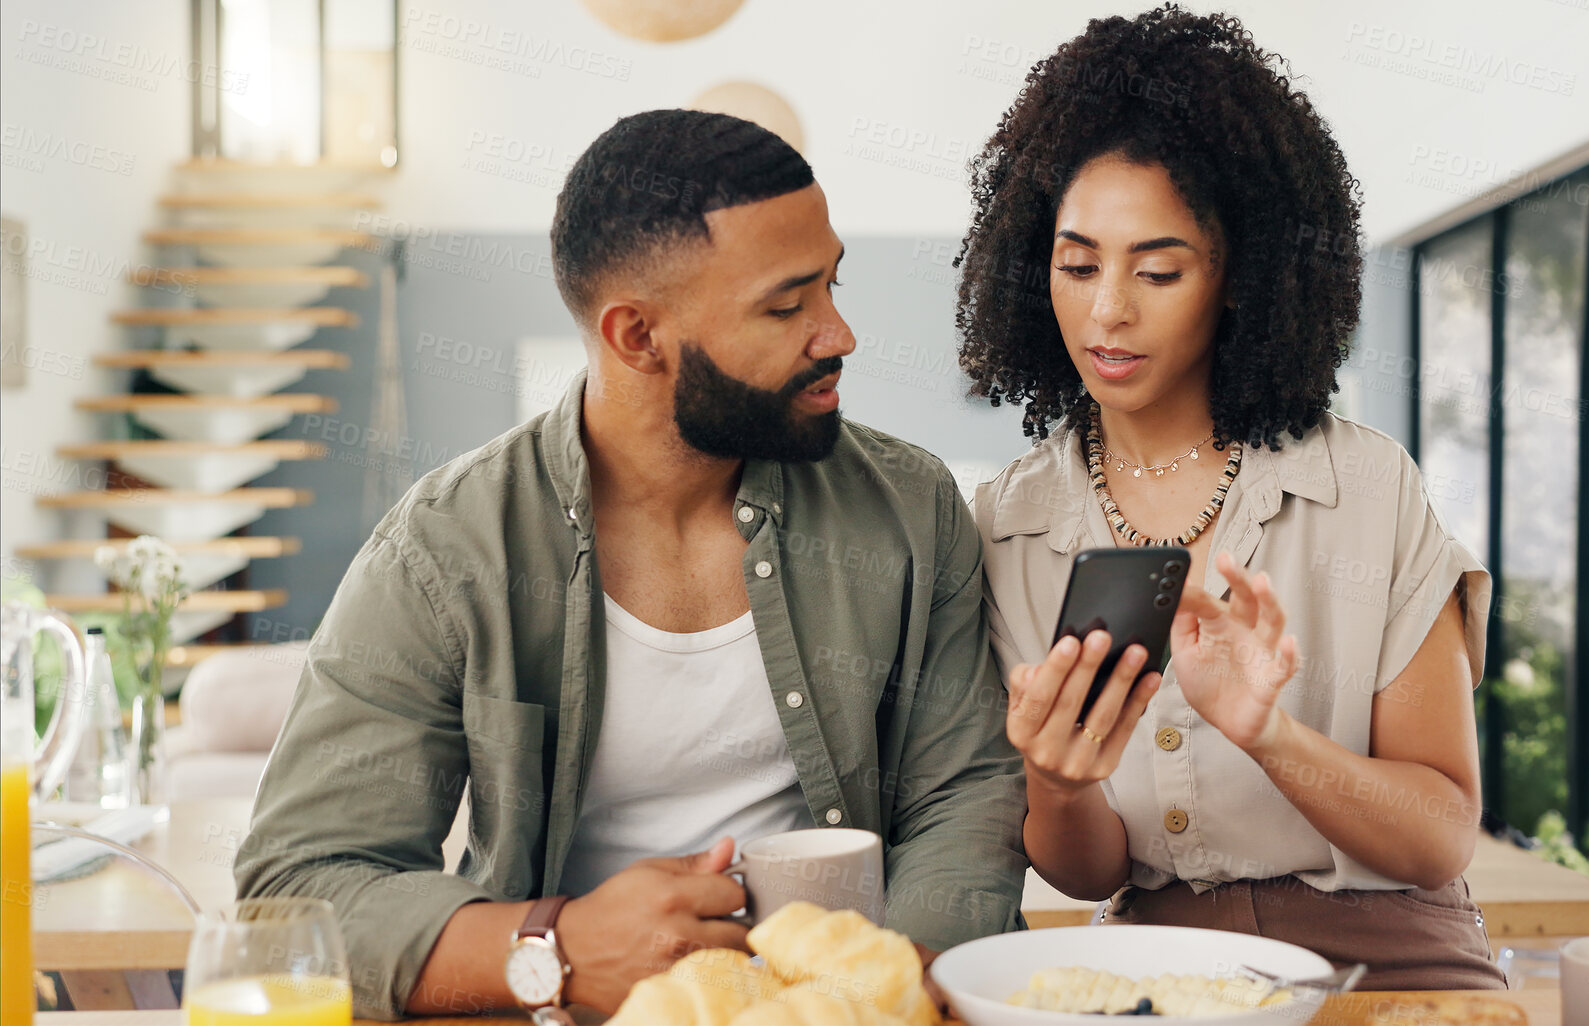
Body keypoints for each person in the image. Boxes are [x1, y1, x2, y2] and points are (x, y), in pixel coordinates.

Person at [236, 110, 1027, 1020]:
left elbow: (967, 790)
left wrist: (896, 989)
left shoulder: (909, 507)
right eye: (786, 306)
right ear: (637, 337)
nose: (838, 333)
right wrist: (555, 948)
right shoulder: (446, 553)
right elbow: (298, 887)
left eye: (831, 285)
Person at [959, 6, 1505, 990]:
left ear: (1241, 279)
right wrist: (1054, 776)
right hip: (1158, 964)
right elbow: (1090, 871)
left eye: (1156, 270)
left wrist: (1269, 734)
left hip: (1394, 957)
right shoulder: (1008, 524)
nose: (1106, 310)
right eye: (1076, 264)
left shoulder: (1363, 488)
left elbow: (1437, 840)